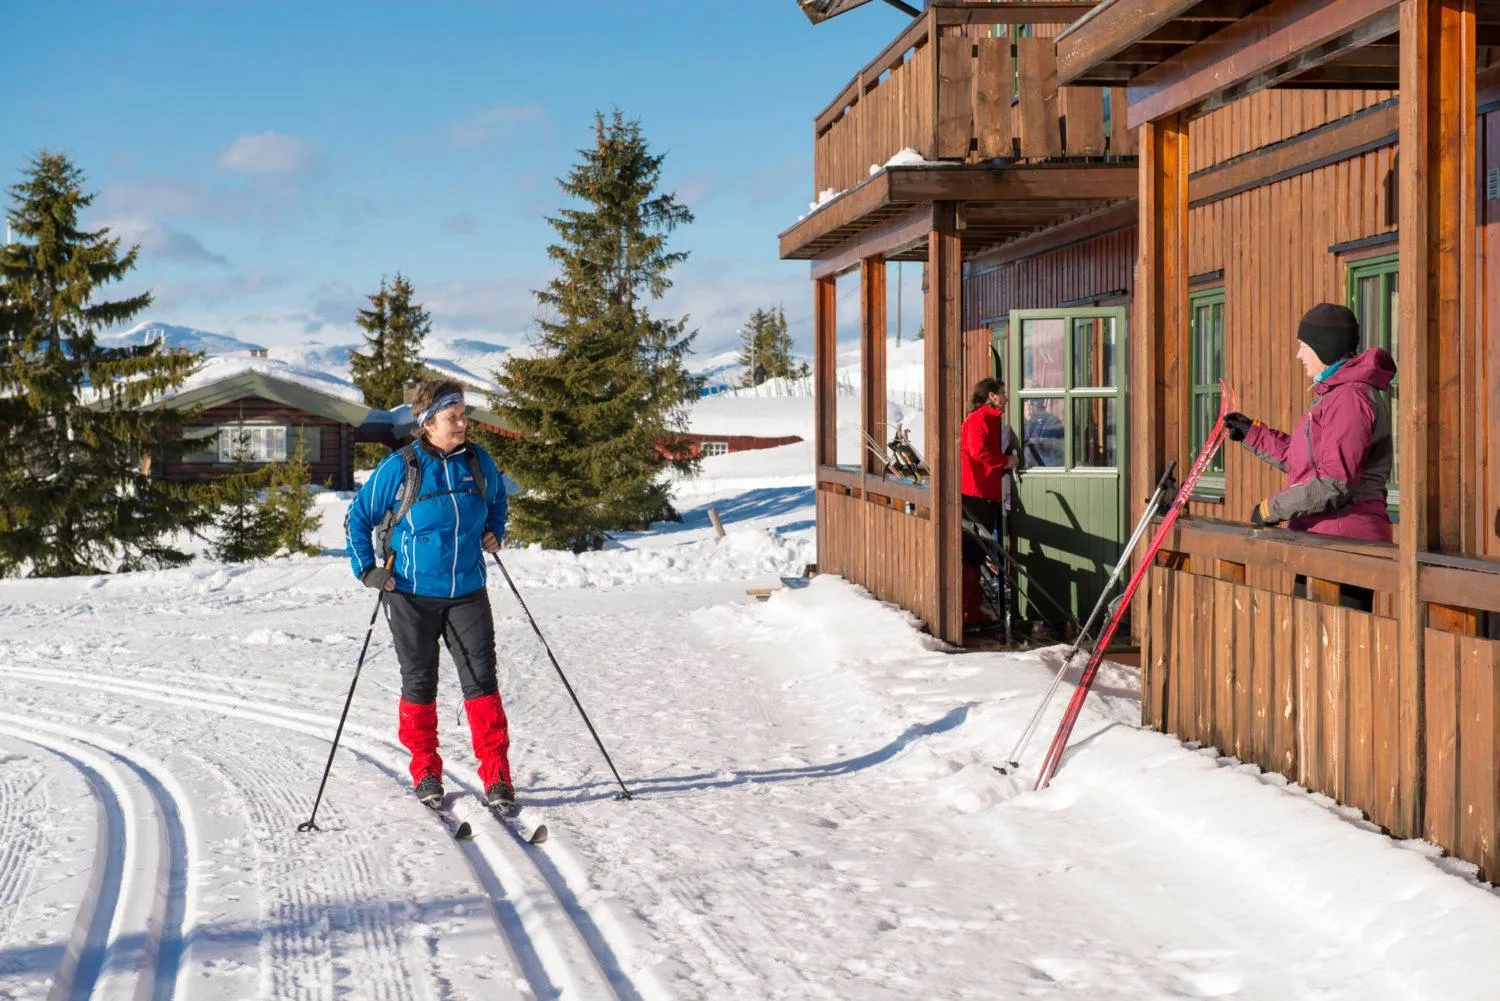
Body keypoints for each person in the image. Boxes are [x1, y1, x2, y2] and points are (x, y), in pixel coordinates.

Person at [345, 378, 516, 810]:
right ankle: (425, 770)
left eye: (463, 415)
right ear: (428, 423)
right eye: (452, 417)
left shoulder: (478, 461)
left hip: (467, 591)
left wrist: (495, 531)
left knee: (482, 682)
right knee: (419, 682)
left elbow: (498, 502)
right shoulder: (402, 466)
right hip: (409, 593)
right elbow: (358, 517)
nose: (462, 423)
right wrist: (367, 570)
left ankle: (496, 776)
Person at [1223, 302, 1396, 610]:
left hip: (1344, 542)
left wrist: (1271, 509)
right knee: (1311, 645)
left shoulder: (1350, 399)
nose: (1299, 355)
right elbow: (1309, 461)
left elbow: (1333, 481)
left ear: (1324, 347)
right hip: (1324, 539)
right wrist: (1253, 433)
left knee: (1333, 648)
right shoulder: (1333, 395)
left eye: (1304, 346)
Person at [961, 377, 1019, 629]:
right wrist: (1006, 461)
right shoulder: (979, 420)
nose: (1006, 397)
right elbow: (979, 452)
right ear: (992, 396)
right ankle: (968, 613)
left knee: (976, 553)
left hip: (985, 491)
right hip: (977, 492)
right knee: (972, 554)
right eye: (1002, 393)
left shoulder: (989, 420)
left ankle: (972, 610)